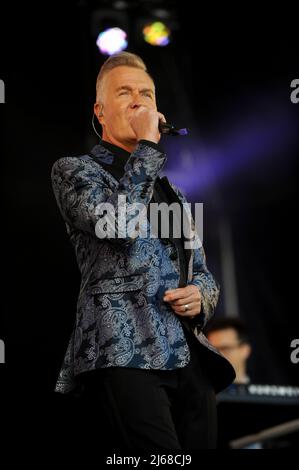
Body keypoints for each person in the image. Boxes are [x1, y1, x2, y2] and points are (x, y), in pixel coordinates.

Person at [51, 51, 235, 449]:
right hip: (124, 350)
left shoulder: (174, 195)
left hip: (188, 356)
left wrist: (198, 297)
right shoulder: (76, 170)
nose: (138, 101)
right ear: (100, 112)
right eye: (125, 93)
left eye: (146, 94)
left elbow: (202, 272)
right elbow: (118, 225)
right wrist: (147, 149)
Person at [205, 317, 252, 384]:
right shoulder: (198, 393)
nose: (219, 356)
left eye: (225, 349)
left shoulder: (264, 392)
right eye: (213, 351)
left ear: (245, 350)